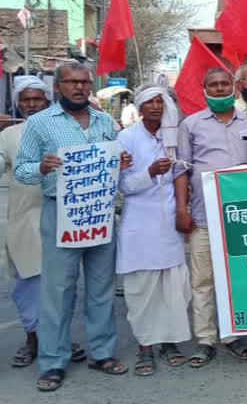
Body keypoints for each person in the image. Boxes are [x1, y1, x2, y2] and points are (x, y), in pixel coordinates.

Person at [14, 62, 132, 392]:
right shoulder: (39, 124)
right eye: (72, 82)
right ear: (58, 87)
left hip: (99, 214)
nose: (79, 88)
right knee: (58, 292)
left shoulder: (104, 121)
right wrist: (41, 166)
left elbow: (115, 160)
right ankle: (53, 362)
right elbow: (21, 170)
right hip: (59, 213)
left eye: (84, 82)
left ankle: (101, 352)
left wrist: (121, 162)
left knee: (101, 288)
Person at [0, 77, 86, 368]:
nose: (31, 104)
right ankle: (33, 339)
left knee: (61, 284)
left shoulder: (63, 129)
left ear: (48, 100)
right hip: (24, 221)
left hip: (62, 216)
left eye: (37, 99)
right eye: (26, 100)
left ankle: (58, 339)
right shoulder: (8, 135)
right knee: (28, 284)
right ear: (18, 103)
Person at [175, 67, 247, 369]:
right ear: (204, 88)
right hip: (203, 216)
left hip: (242, 218)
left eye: (225, 84)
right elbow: (182, 169)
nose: (220, 89)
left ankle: (232, 335)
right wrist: (181, 210)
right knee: (203, 279)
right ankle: (206, 339)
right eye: (214, 85)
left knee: (237, 279)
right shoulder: (191, 125)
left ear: (234, 87)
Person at [116, 86, 191, 376]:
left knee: (172, 287)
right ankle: (145, 347)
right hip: (139, 223)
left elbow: (182, 174)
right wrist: (150, 173)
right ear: (140, 107)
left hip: (168, 223)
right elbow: (124, 185)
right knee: (142, 289)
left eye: (161, 101)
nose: (157, 107)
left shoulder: (173, 138)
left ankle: (169, 343)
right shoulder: (126, 138)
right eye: (151, 102)